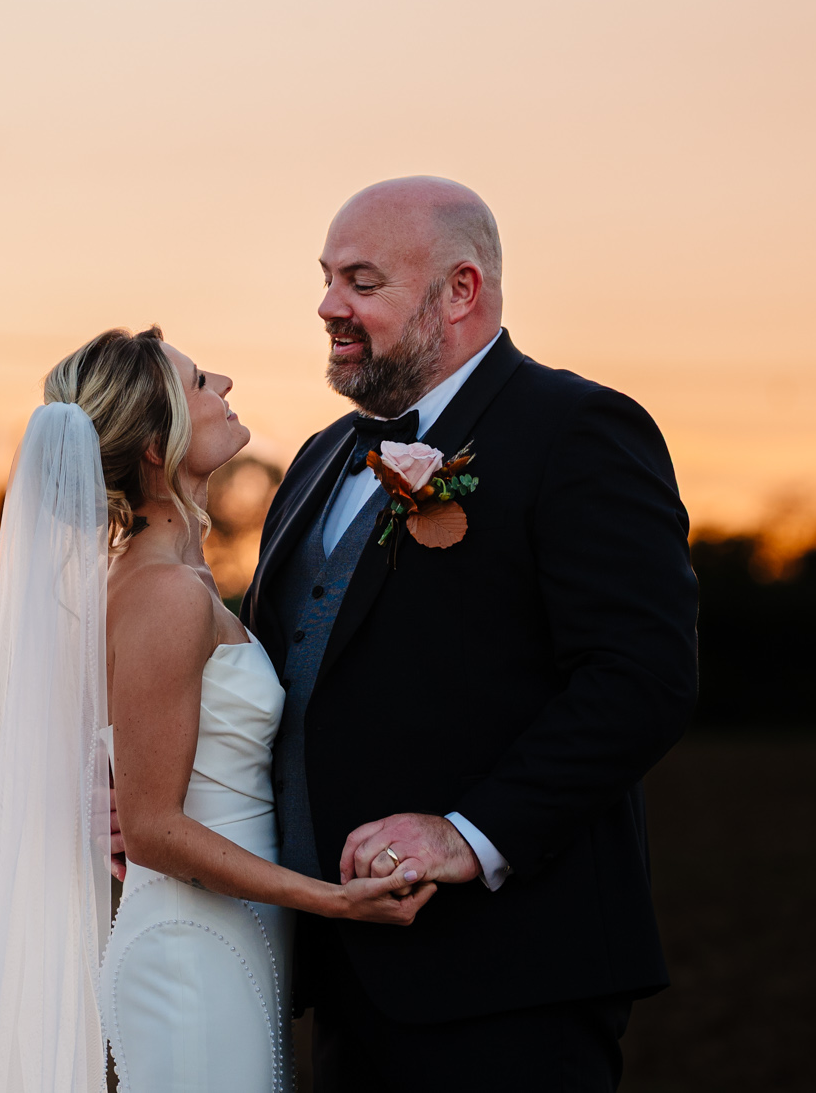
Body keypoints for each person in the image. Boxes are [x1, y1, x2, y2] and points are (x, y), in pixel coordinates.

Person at [240, 177, 698, 1092]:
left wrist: (469, 832)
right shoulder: (323, 456)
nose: (330, 306)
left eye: (362, 282)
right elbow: (283, 678)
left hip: (510, 976)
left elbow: (641, 676)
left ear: (460, 290)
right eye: (328, 278)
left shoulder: (578, 431)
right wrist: (170, 801)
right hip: (333, 971)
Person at [0, 326, 430, 1093]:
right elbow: (158, 829)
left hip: (230, 941)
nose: (224, 382)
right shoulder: (163, 594)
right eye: (200, 381)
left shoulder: (172, 580)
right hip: (193, 956)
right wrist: (332, 899)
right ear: (159, 447)